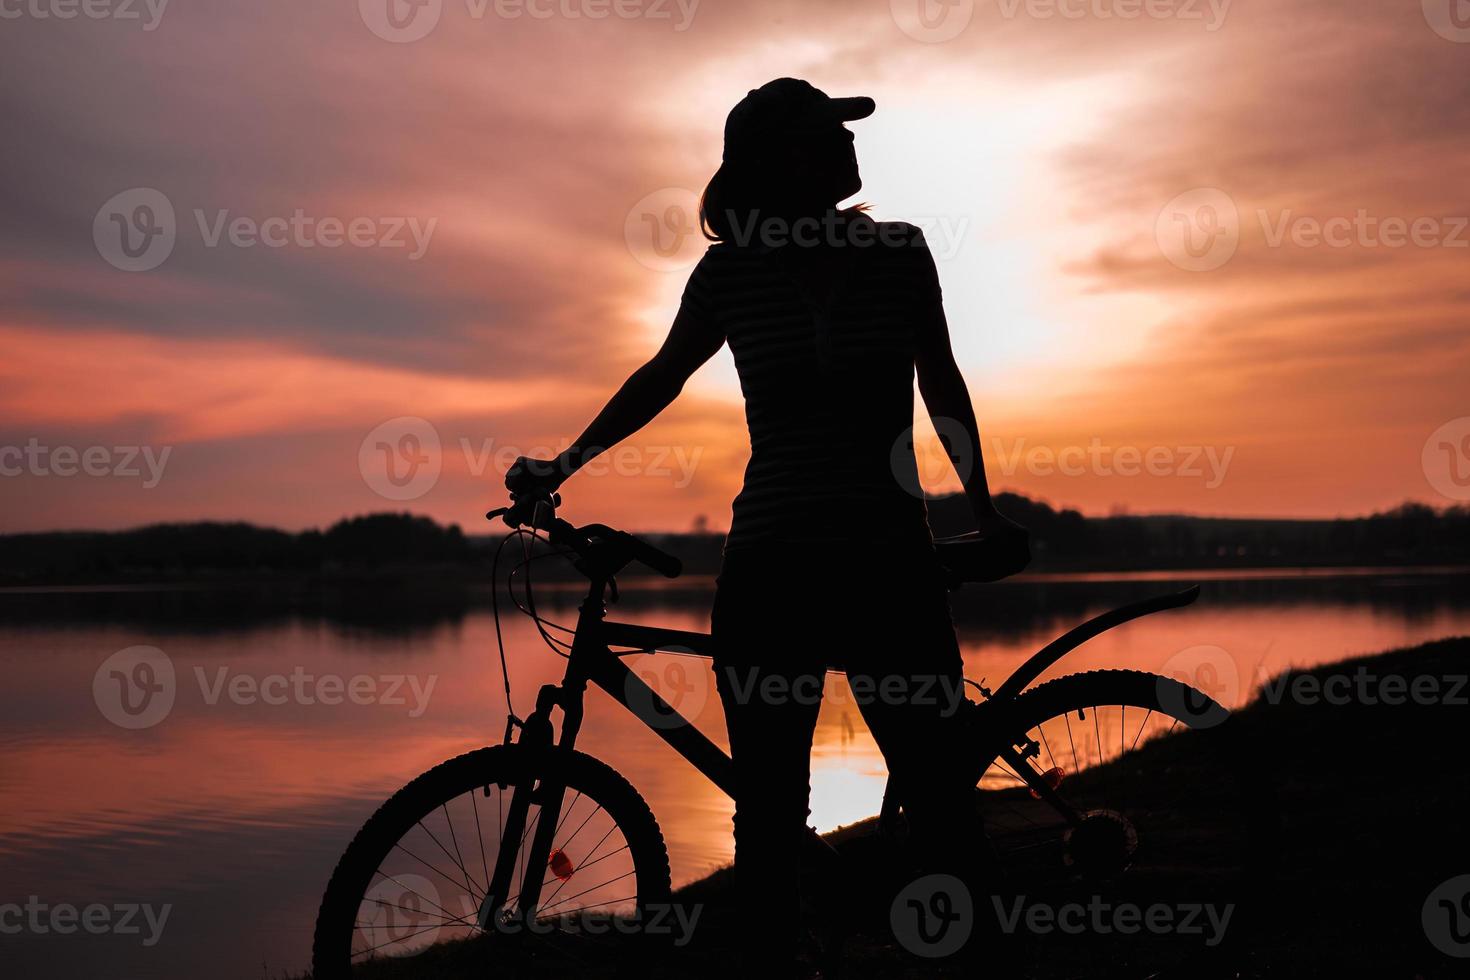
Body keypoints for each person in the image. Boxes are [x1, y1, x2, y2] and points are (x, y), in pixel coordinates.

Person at [506, 77, 1024, 975]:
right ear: (785, 159)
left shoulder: (899, 251)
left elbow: (942, 384)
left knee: (940, 801)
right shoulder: (731, 273)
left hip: (887, 562)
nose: (851, 144)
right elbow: (661, 377)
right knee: (771, 813)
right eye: (831, 132)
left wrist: (984, 515)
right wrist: (562, 463)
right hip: (773, 566)